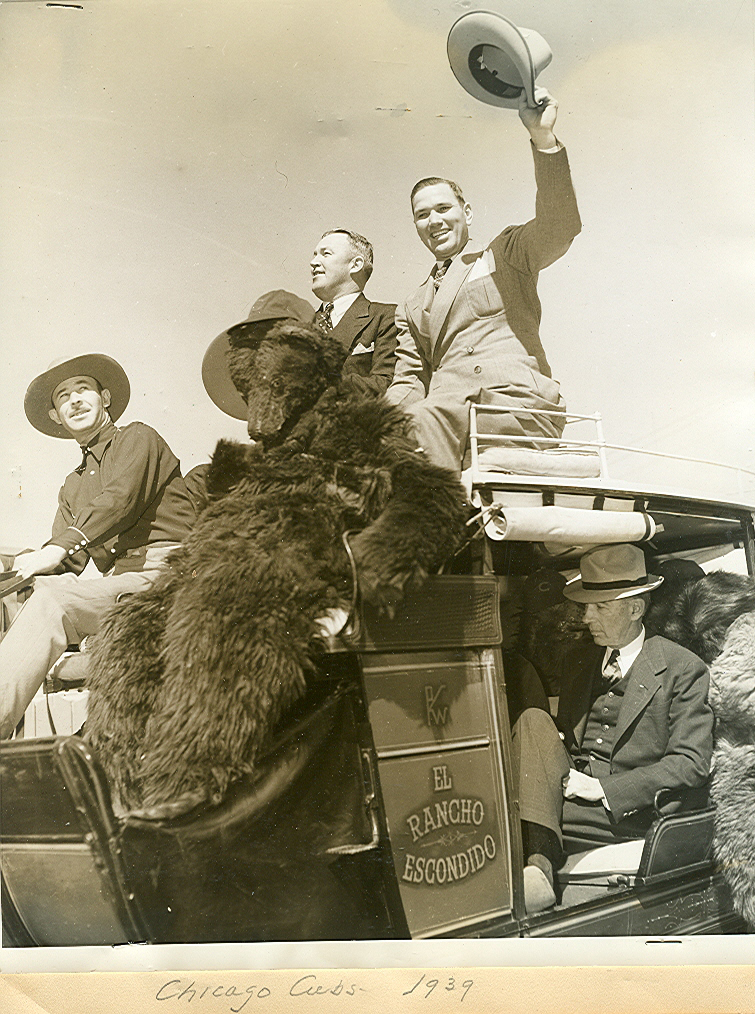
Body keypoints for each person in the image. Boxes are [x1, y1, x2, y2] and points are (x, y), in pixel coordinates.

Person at [384, 91, 581, 474]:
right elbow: (409, 380)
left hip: (511, 403)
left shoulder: (504, 254)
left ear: (467, 213)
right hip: (444, 416)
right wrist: (371, 423)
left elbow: (560, 225)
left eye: (443, 208)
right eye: (422, 215)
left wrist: (543, 139)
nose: (434, 221)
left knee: (419, 435)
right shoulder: (410, 306)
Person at [0, 353, 196, 738]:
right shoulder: (72, 486)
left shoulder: (138, 438)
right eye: (63, 396)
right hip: (122, 586)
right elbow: (63, 561)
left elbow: (119, 501)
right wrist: (11, 566)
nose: (74, 400)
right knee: (43, 594)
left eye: (83, 389)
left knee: (53, 602)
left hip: (171, 577)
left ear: (104, 398)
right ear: (56, 416)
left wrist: (58, 549)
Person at [511, 544, 714, 912]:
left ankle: (538, 862)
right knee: (531, 721)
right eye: (586, 606)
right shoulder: (578, 660)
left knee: (516, 815)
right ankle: (539, 869)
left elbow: (691, 763)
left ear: (635, 609)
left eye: (600, 607)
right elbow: (570, 744)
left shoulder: (683, 668)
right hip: (573, 795)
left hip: (629, 813)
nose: (586, 617)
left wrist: (603, 789)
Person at [310, 228, 398, 396]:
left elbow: (386, 384)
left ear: (356, 265)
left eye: (326, 254)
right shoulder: (302, 324)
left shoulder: (386, 317)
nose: (313, 262)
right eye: (314, 255)